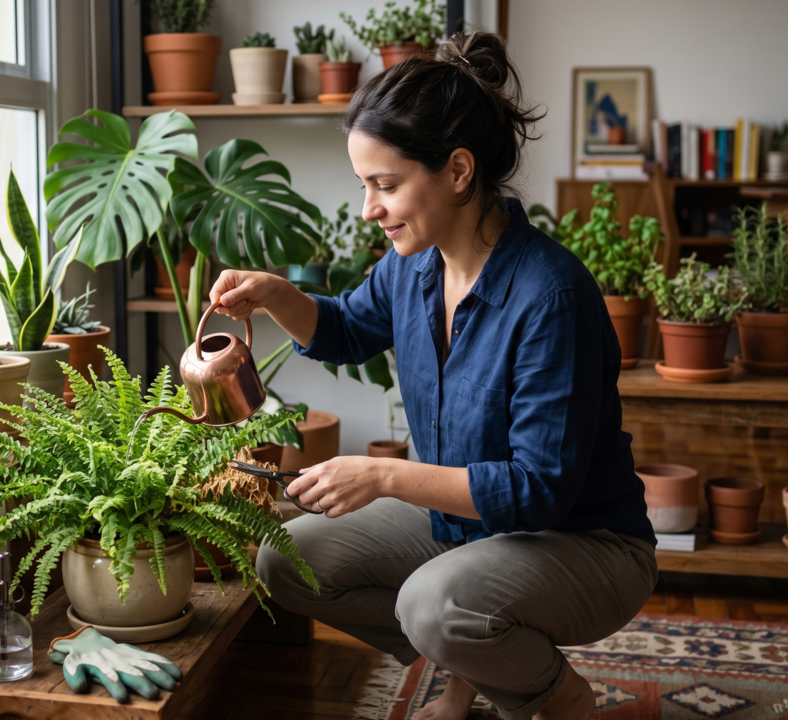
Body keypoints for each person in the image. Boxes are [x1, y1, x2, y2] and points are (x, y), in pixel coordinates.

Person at [209, 31, 657, 720]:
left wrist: (383, 475)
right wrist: (275, 294)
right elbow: (343, 329)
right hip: (464, 526)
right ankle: (467, 668)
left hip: (584, 542)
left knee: (431, 603)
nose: (370, 209)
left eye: (386, 186)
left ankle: (561, 696)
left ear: (457, 171)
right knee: (283, 559)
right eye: (365, 186)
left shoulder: (551, 297)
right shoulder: (412, 268)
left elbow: (538, 490)